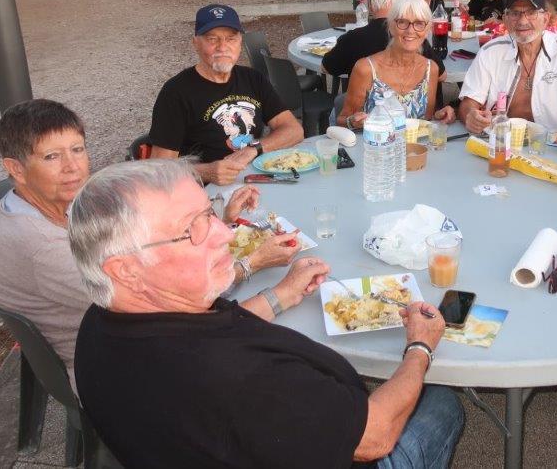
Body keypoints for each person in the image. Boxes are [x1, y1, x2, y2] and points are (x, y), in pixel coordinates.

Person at [70, 159, 464, 468]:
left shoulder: (101, 323)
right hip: (358, 441)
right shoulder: (233, 379)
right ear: (127, 270)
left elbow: (206, 333)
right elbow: (374, 436)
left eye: (210, 213)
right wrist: (419, 347)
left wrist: (280, 296)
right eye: (193, 229)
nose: (226, 234)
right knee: (443, 402)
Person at [0, 100, 287, 390]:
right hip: (115, 367)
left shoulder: (43, 204)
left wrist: (215, 219)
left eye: (77, 149)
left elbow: (139, 239)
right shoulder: (42, 248)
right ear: (16, 169)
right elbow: (177, 304)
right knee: (273, 367)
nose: (73, 167)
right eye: (51, 157)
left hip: (114, 332)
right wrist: (259, 272)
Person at [149, 4, 304, 185]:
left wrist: (254, 149)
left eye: (231, 39)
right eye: (212, 39)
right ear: (195, 43)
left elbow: (294, 130)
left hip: (254, 178)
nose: (223, 47)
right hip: (203, 189)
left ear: (240, 42)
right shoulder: (176, 92)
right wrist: (206, 172)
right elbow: (159, 167)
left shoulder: (253, 78)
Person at [459, 0, 557, 154]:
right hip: (500, 144)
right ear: (505, 19)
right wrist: (471, 116)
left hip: (554, 146)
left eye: (531, 13)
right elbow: (468, 103)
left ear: (545, 18)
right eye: (515, 13)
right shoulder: (490, 51)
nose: (522, 21)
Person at [338, 0, 457, 128]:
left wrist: (439, 116)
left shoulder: (430, 69)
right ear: (390, 26)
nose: (410, 30)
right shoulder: (366, 69)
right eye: (402, 22)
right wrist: (352, 122)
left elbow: (425, 122)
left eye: (419, 23)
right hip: (373, 141)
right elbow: (342, 120)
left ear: (427, 30)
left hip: (415, 142)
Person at [321, 0, 442, 81]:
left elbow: (326, 68)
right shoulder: (412, 38)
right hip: (408, 101)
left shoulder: (352, 38)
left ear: (371, 6)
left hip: (363, 100)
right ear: (400, 5)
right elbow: (441, 75)